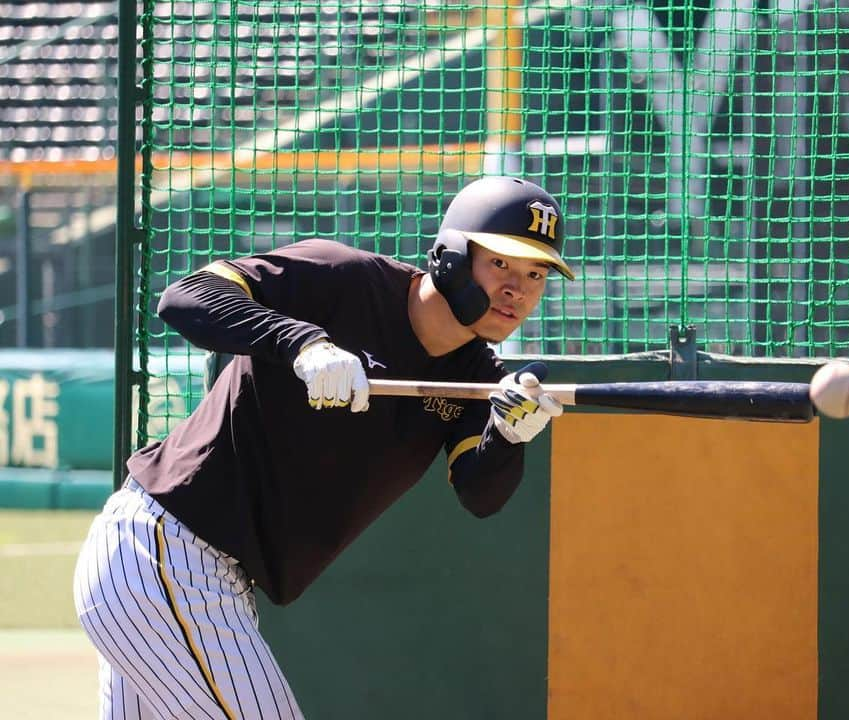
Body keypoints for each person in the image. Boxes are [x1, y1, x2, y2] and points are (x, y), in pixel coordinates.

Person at [72, 175, 575, 718]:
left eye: (536, 273)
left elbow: (480, 494)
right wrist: (302, 343)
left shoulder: (476, 377)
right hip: (164, 553)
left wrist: (508, 437)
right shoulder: (345, 278)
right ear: (451, 255)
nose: (518, 289)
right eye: (500, 263)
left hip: (208, 582)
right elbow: (186, 297)